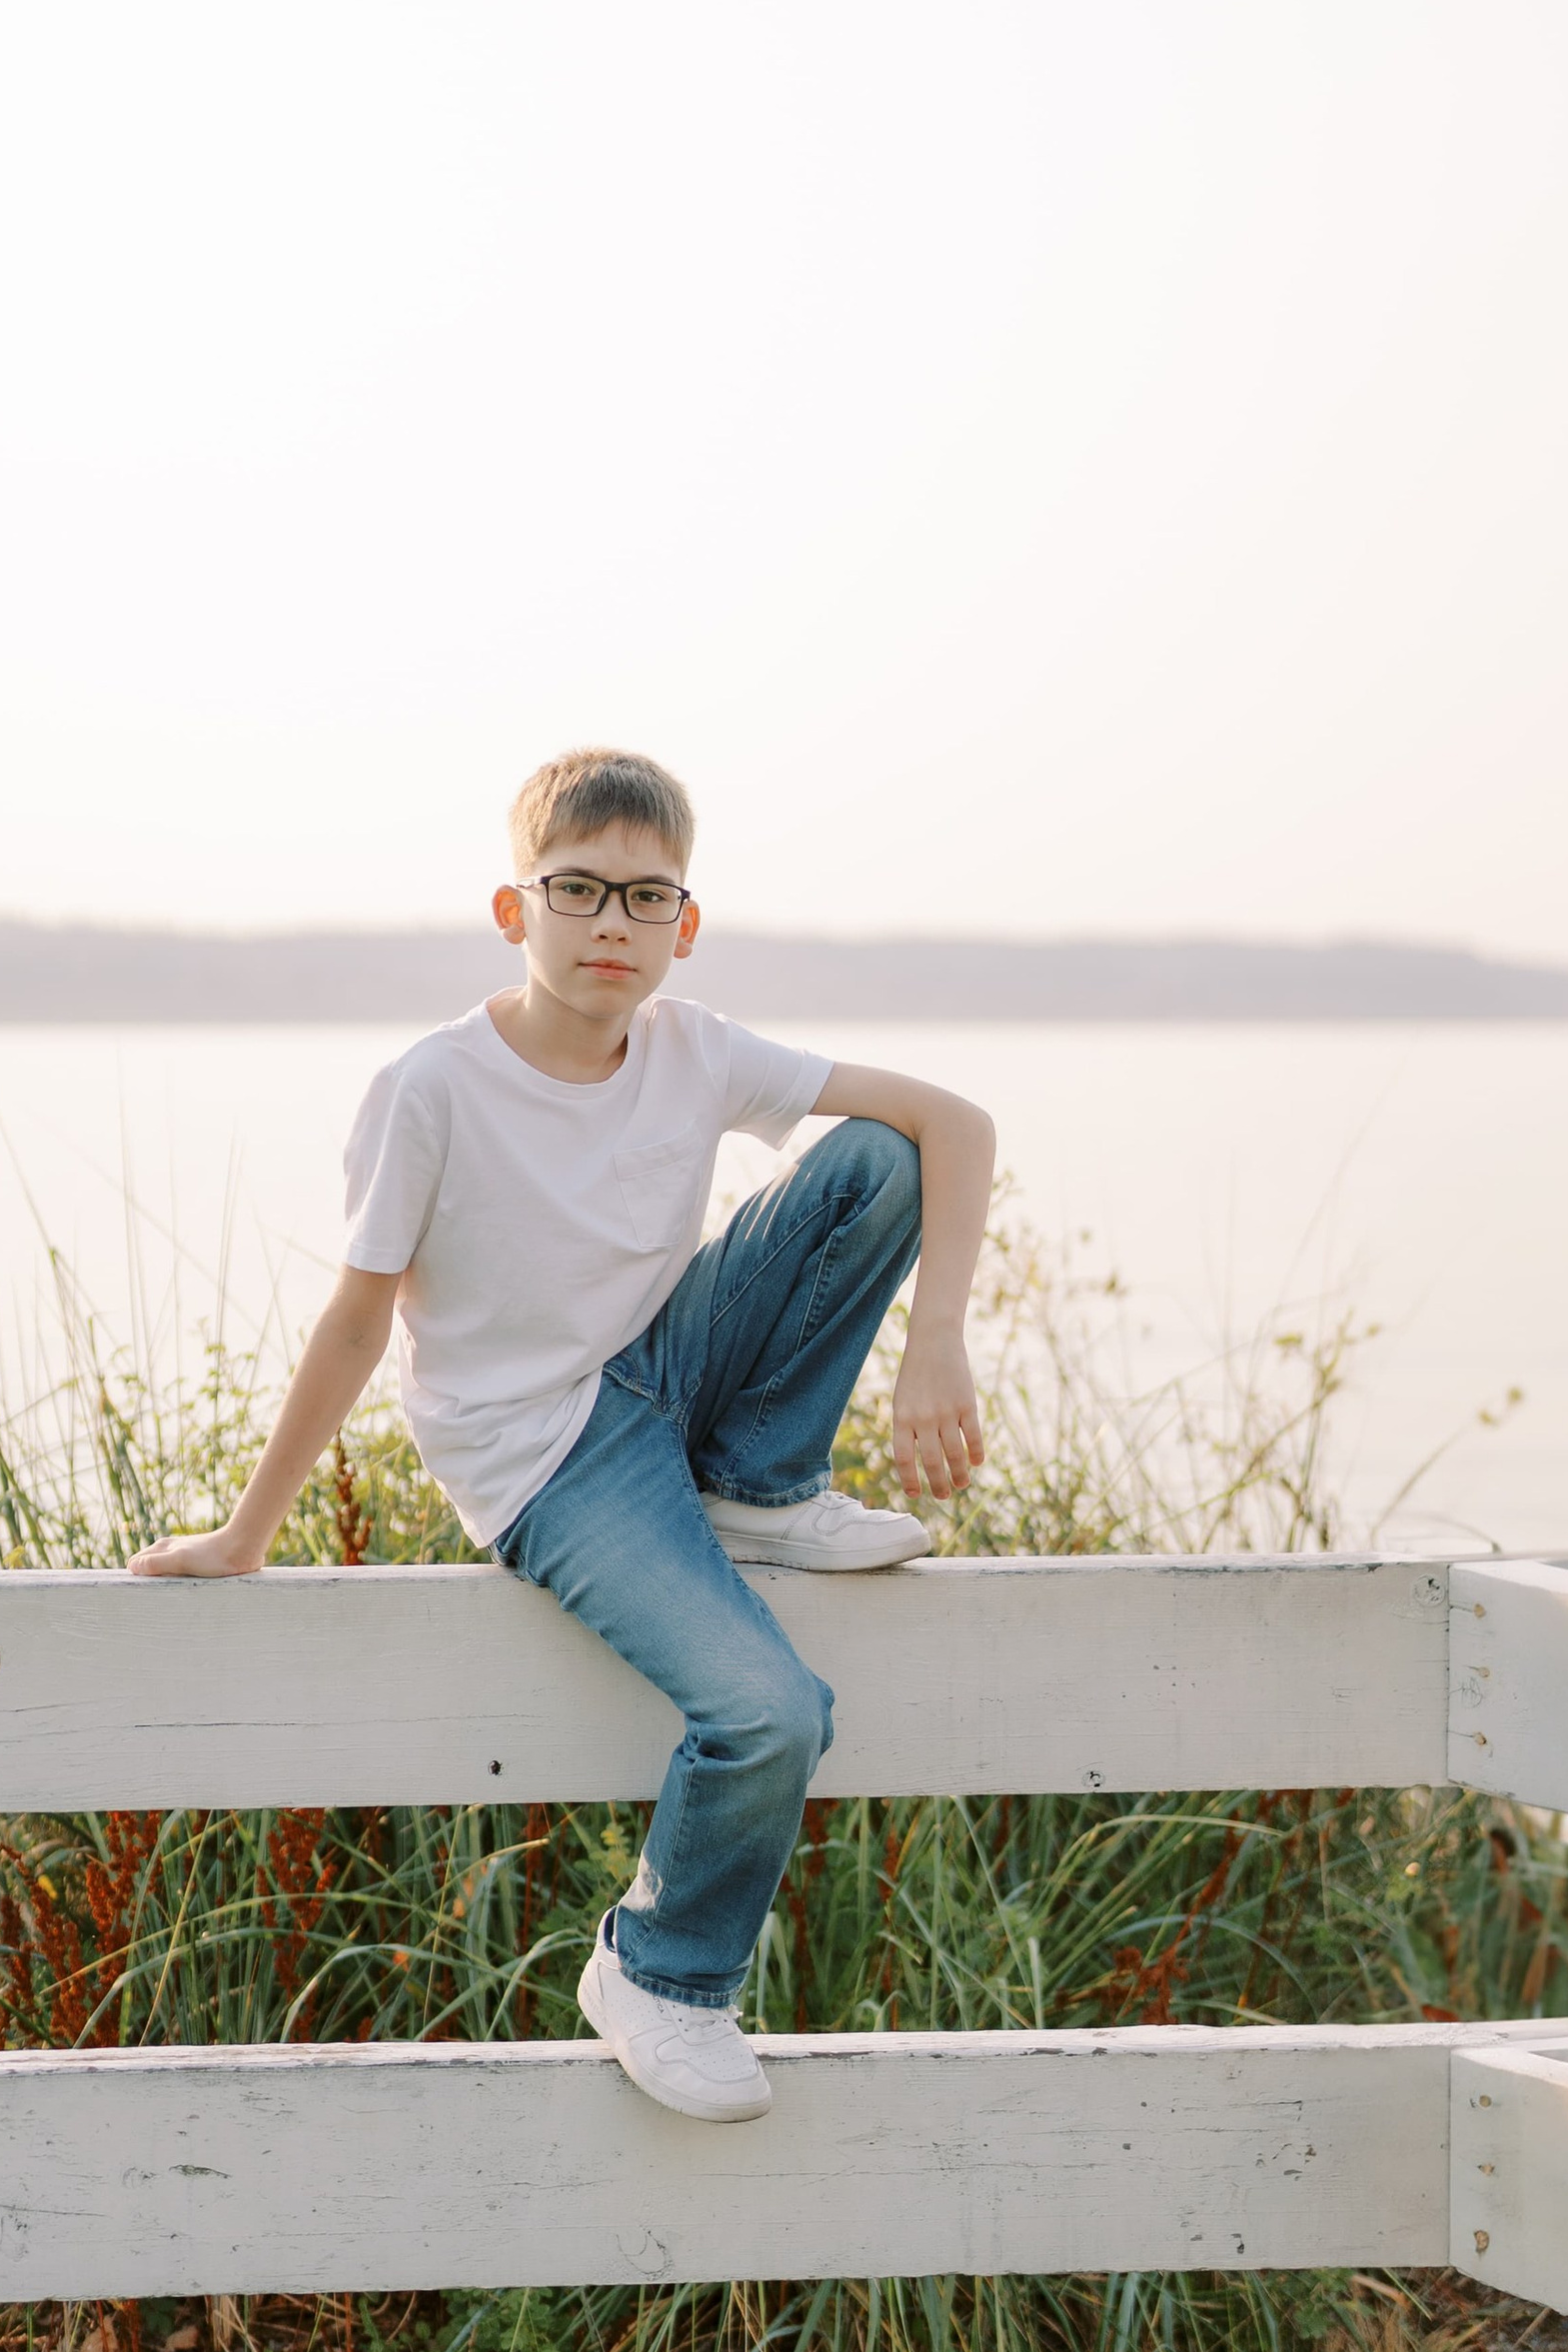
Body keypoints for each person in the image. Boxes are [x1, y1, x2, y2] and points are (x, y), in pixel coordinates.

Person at [133, 747, 995, 2121]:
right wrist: (249, 1532)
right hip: (548, 1452)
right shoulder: (432, 1088)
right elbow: (359, 1324)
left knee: (876, 1157)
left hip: (667, 1374)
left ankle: (759, 1477)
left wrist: (936, 1337)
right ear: (513, 907)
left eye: (644, 898)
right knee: (772, 1711)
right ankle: (658, 1970)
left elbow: (956, 1119)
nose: (610, 924)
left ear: (684, 924)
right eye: (578, 889)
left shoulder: (694, 1046)